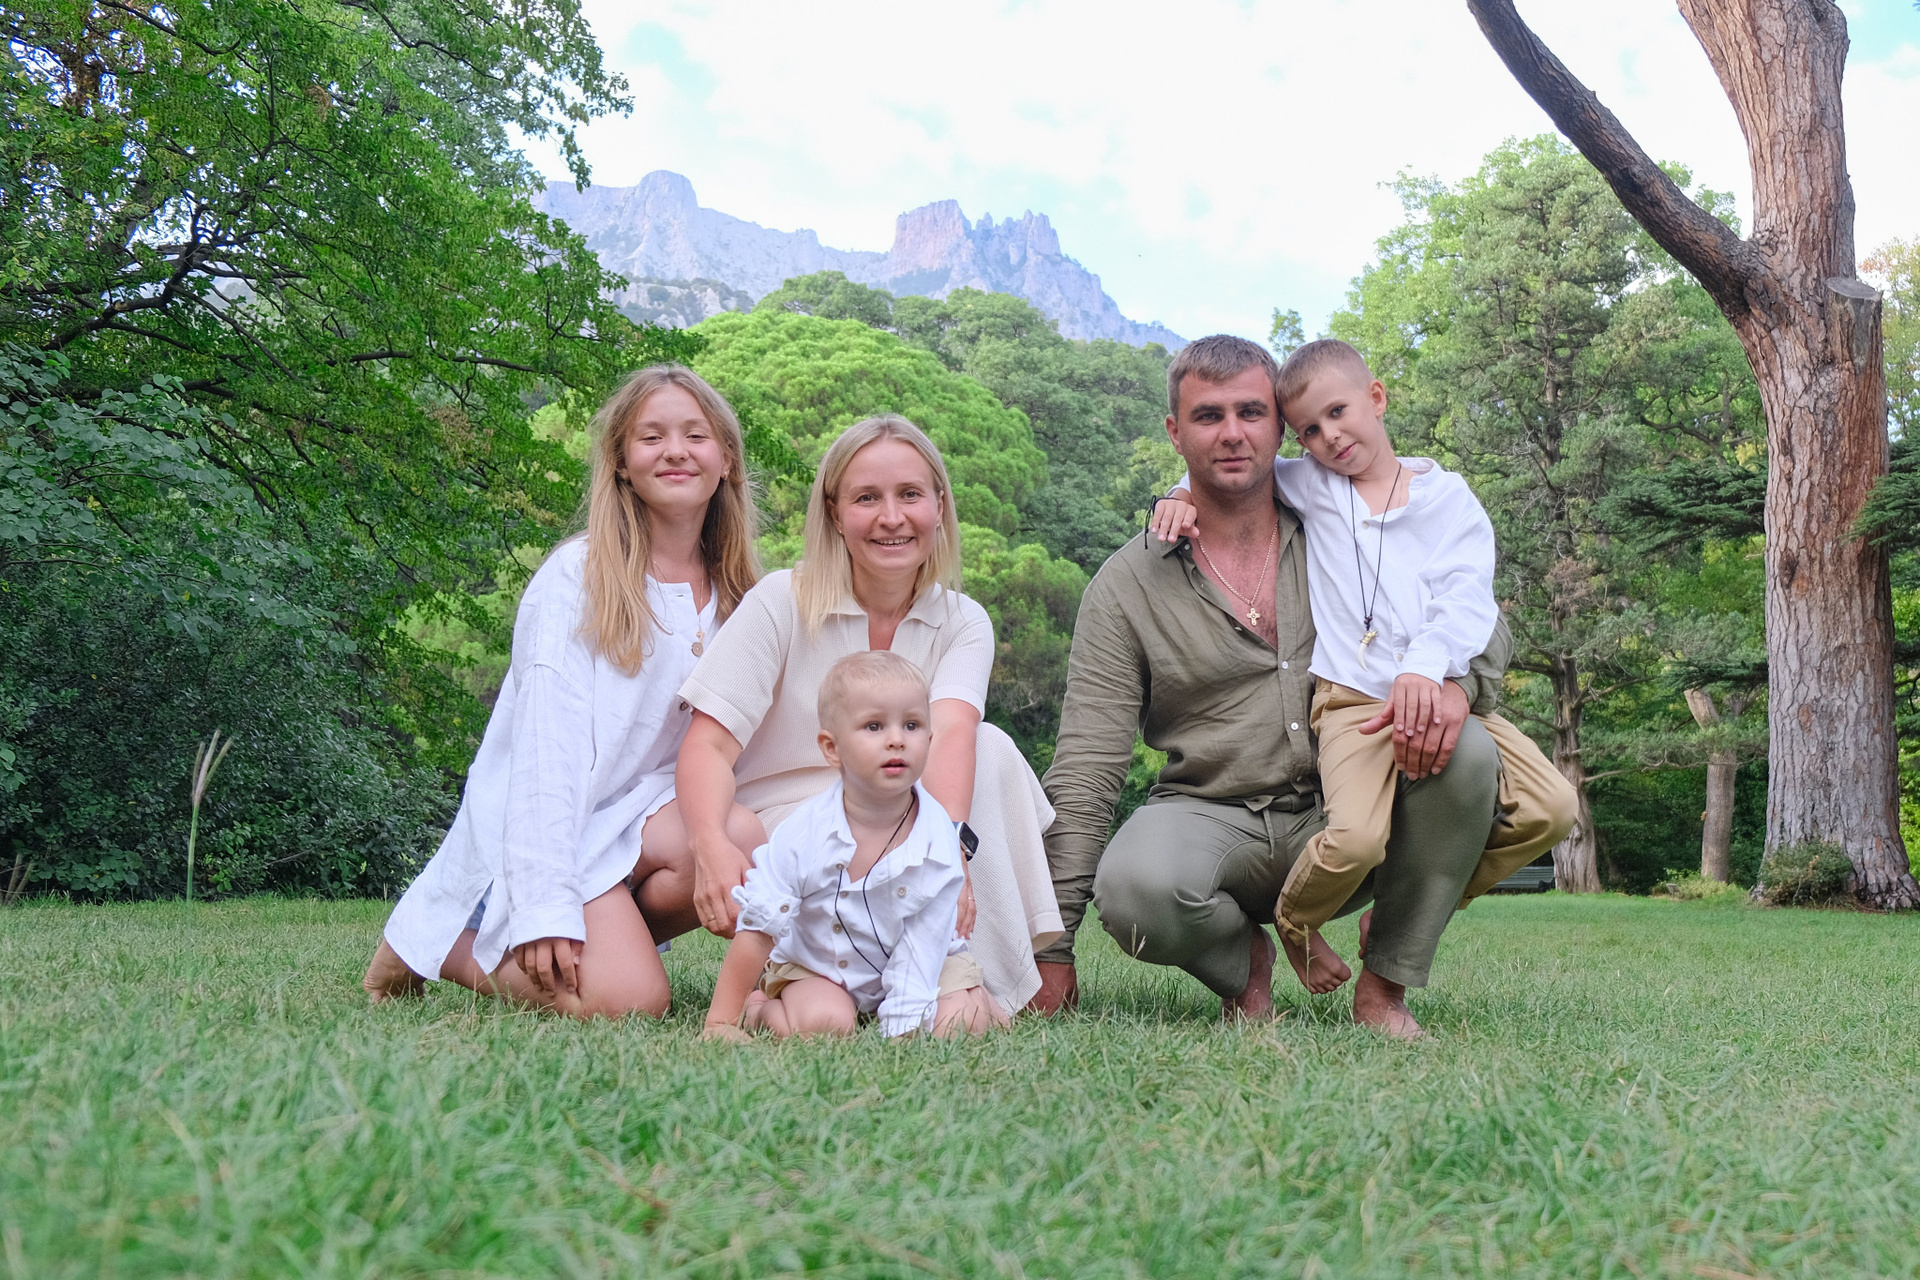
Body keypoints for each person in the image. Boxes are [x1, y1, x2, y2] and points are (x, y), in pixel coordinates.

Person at [1036, 335, 1575, 1037]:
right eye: (1208, 416)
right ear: (1174, 431)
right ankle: (1244, 963)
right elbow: (1085, 768)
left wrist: (1457, 686)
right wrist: (1051, 947)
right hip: (1210, 815)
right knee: (1136, 891)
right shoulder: (1126, 584)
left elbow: (1482, 620)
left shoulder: (1341, 519)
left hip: (1352, 804)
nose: (1233, 433)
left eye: (1251, 412)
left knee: (1465, 751)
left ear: (1278, 427)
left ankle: (1386, 982)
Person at [360, 365, 767, 1019]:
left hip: (639, 820)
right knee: (630, 1004)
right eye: (651, 437)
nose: (675, 451)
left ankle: (607, 942)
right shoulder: (578, 578)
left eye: (696, 435)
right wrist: (545, 904)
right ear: (621, 463)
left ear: (727, 461)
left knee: (741, 833)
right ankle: (442, 943)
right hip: (552, 825)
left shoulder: (741, 594)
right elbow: (545, 756)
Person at [659, 414, 1063, 1015]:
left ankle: (974, 977)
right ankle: (811, 978)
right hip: (794, 828)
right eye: (867, 498)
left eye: (910, 495)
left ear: (939, 506)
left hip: (903, 814)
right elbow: (708, 746)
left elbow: (952, 733)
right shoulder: (781, 600)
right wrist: (711, 843)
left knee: (990, 745)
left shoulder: (962, 620)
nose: (891, 518)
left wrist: (948, 850)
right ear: (834, 512)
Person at [702, 651, 1006, 1041]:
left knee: (955, 1026)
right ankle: (761, 1007)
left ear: (930, 740)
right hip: (821, 965)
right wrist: (720, 1022)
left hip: (925, 962)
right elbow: (758, 925)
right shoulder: (805, 832)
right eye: (874, 726)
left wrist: (902, 1034)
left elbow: (921, 949)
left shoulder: (940, 842)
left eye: (912, 725)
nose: (896, 740)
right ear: (832, 748)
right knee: (823, 1023)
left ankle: (975, 1001)